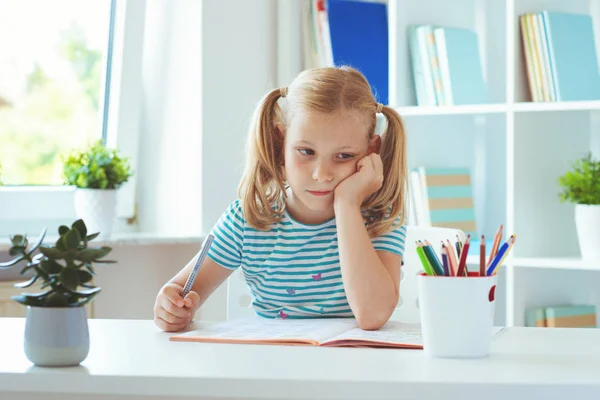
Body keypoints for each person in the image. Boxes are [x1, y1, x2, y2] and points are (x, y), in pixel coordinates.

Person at [153, 66, 408, 332]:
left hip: (354, 368)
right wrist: (170, 307)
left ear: (371, 151)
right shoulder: (248, 217)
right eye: (306, 151)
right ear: (280, 143)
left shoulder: (382, 216)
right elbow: (179, 291)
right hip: (273, 366)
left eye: (343, 156)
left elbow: (373, 315)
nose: (322, 174)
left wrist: (347, 204)